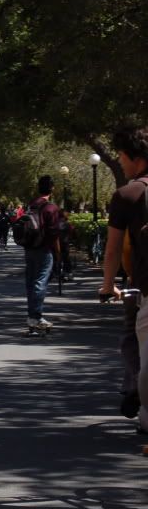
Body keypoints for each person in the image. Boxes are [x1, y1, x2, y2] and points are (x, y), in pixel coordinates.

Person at [99, 124, 148, 433]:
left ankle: (144, 410)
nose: (120, 162)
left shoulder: (128, 194)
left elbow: (113, 249)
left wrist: (107, 286)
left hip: (145, 287)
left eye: (121, 157)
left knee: (140, 349)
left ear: (136, 158)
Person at [22, 176, 61, 330]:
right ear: (52, 188)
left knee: (31, 282)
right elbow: (54, 234)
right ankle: (35, 317)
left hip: (29, 248)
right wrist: (58, 253)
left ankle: (32, 314)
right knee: (40, 281)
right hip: (44, 250)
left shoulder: (31, 205)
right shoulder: (51, 208)